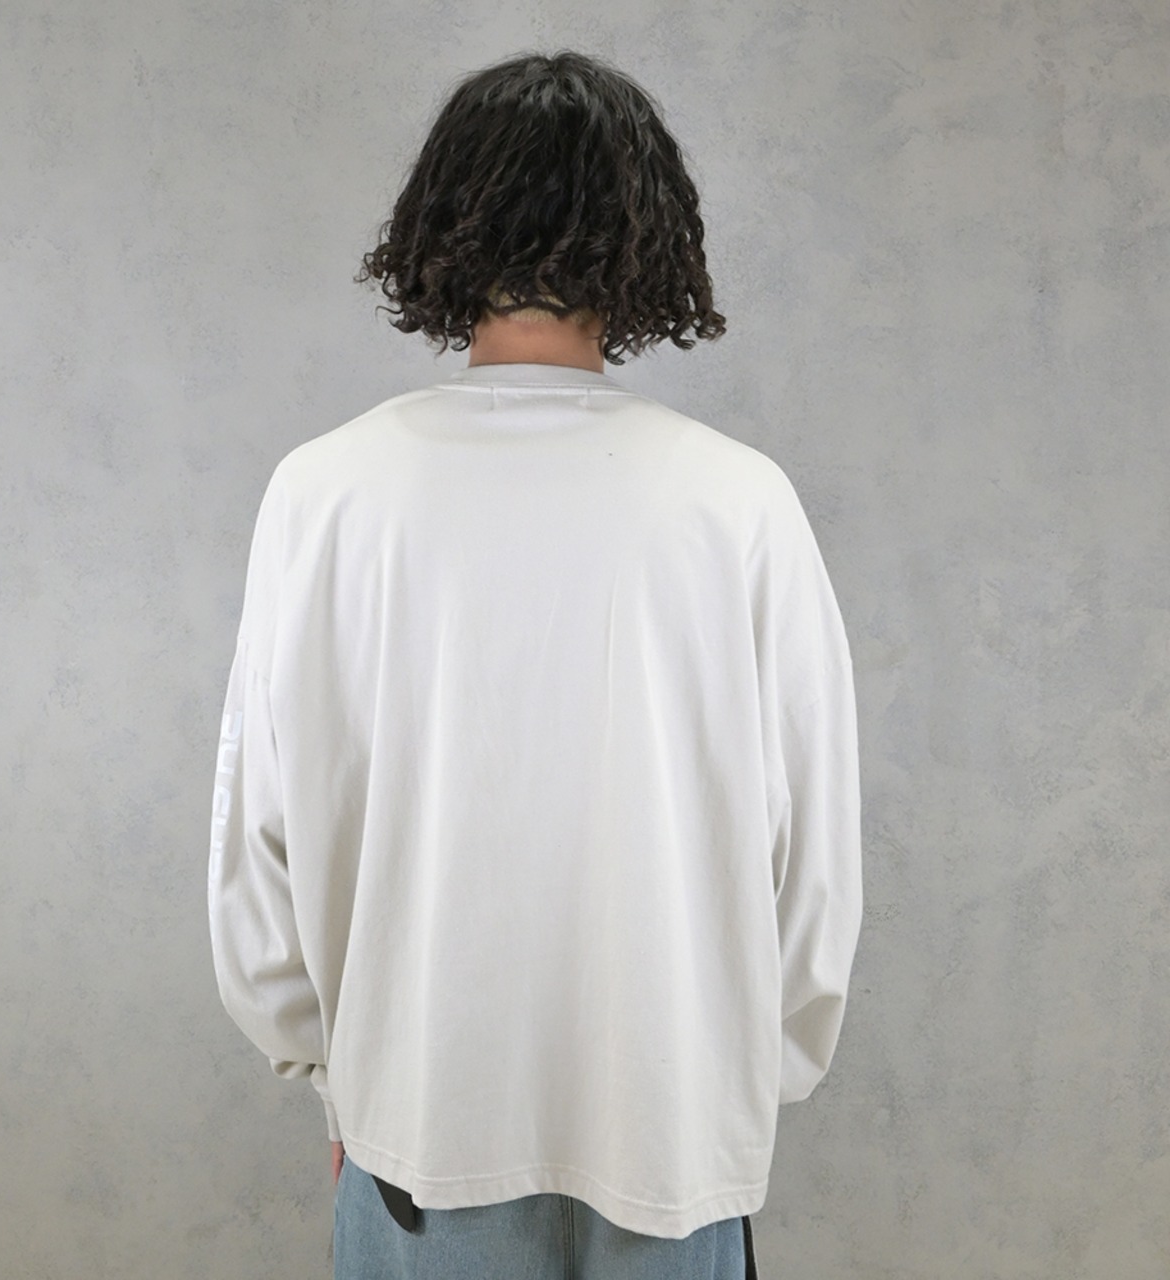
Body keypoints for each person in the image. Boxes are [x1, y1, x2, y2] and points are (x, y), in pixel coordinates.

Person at [208, 48, 861, 1280]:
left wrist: (332, 1069)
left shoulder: (325, 493)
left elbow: (262, 832)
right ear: (646, 235)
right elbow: (811, 854)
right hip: (669, 1144)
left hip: (416, 1135)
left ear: (439, 226)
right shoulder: (737, 502)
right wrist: (735, 1077)